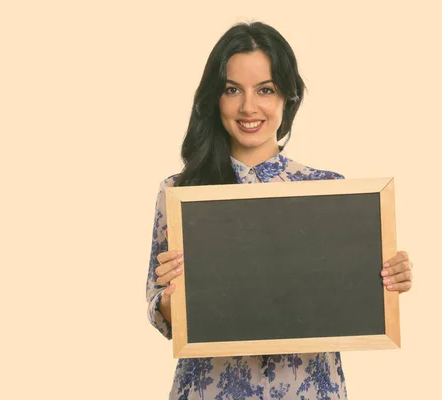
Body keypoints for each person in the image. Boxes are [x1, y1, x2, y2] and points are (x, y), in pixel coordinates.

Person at [145, 21, 414, 400]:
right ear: (214, 98)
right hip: (209, 390)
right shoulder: (181, 193)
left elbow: (356, 297)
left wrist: (389, 276)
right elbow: (161, 314)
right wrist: (175, 296)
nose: (248, 106)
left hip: (306, 388)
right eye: (232, 89)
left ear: (287, 98)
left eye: (265, 90)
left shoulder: (329, 191)